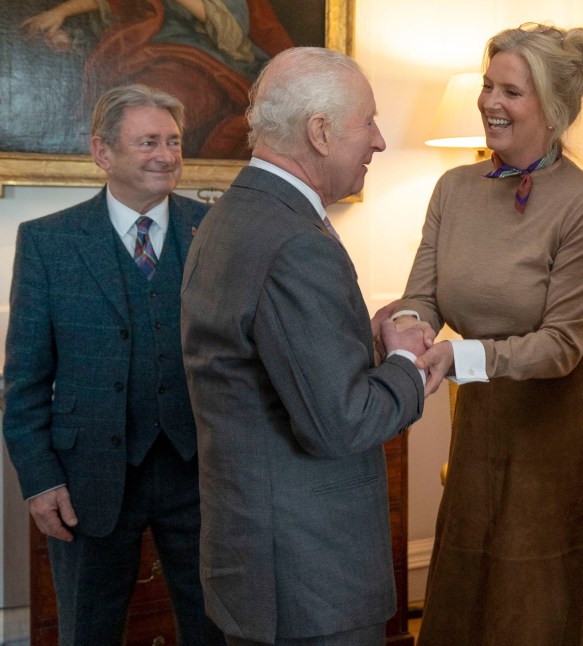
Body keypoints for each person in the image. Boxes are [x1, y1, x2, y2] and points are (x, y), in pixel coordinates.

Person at [377, 22, 583, 645]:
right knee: (470, 585)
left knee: (543, 606)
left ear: (554, 107)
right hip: (485, 418)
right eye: (488, 86)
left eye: (510, 92)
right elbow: (422, 296)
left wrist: (457, 355)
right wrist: (409, 330)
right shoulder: (453, 188)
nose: (490, 101)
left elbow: (561, 345)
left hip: (563, 425)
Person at [179, 47, 430, 646]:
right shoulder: (297, 240)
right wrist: (406, 364)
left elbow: (264, 357)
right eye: (367, 121)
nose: (379, 141)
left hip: (254, 567)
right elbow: (340, 423)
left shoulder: (231, 214)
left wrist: (352, 339)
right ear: (320, 132)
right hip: (309, 582)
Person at [2, 84, 223, 645]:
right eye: (149, 141)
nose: (167, 155)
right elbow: (23, 382)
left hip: (198, 472)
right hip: (87, 482)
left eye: (174, 141)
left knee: (215, 628)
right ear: (103, 152)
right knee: (89, 631)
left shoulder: (216, 233)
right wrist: (40, 479)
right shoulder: (48, 243)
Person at [19, 0, 294, 158]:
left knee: (164, 100)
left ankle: (154, 160)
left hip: (206, 64)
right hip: (147, 52)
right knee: (119, 97)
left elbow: (232, 34)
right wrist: (62, 12)